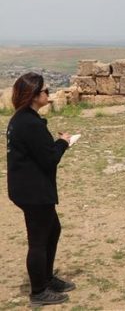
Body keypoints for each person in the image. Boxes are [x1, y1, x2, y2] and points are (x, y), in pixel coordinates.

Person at [6, 72, 76, 307]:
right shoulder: (29, 123)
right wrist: (64, 142)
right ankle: (38, 291)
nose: (48, 93)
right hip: (32, 191)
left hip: (29, 188)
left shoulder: (23, 118)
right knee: (38, 240)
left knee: (52, 230)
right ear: (34, 96)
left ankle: (46, 278)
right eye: (45, 90)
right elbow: (49, 159)